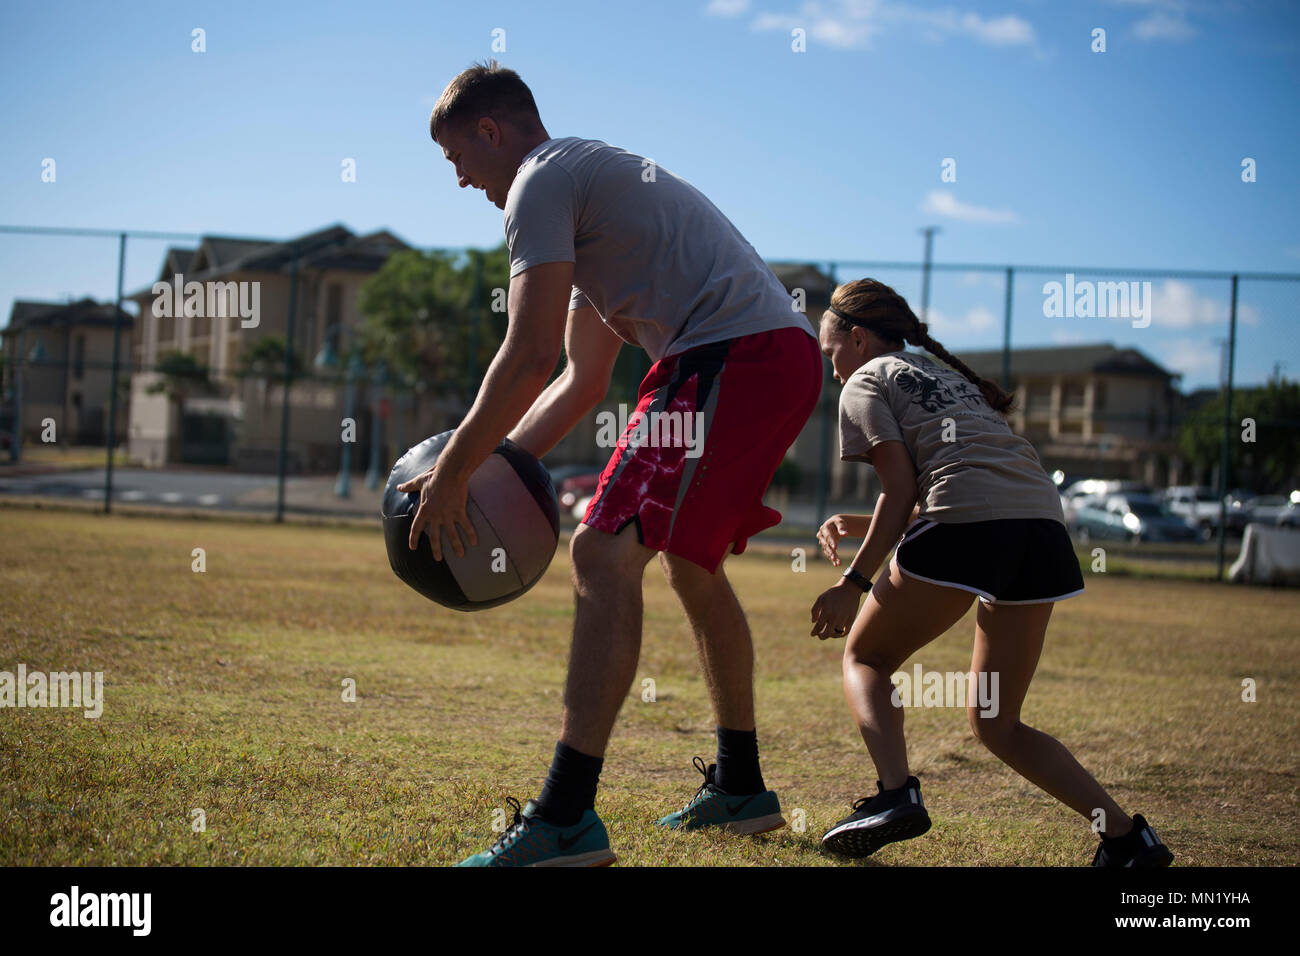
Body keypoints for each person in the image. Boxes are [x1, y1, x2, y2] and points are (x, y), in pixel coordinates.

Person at [403, 60, 822, 866]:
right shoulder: (588, 197)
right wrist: (492, 465)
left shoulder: (539, 182)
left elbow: (523, 355)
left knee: (599, 549)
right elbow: (577, 380)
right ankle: (742, 789)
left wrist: (457, 469)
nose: (459, 181)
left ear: (491, 132)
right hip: (763, 355)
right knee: (690, 567)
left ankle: (563, 820)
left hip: (732, 354)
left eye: (457, 160)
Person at [809, 278, 1174, 867]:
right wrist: (861, 522)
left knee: (865, 658)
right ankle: (1128, 840)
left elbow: (905, 490)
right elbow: (963, 488)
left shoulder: (865, 381)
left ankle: (895, 795)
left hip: (968, 526)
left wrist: (852, 583)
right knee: (997, 723)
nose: (832, 372)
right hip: (1041, 531)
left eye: (831, 355)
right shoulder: (946, 376)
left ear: (856, 338)